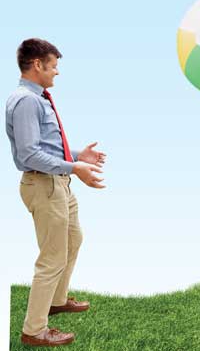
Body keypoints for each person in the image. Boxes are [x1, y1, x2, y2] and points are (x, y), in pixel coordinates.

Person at [5, 38, 106, 347]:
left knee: (74, 239)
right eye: (53, 66)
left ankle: (57, 300)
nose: (56, 72)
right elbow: (29, 154)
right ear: (37, 65)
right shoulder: (26, 100)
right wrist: (75, 168)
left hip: (58, 182)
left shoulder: (38, 98)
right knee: (51, 257)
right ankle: (34, 330)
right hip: (44, 184)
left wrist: (77, 156)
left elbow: (47, 146)